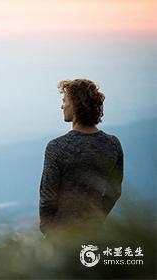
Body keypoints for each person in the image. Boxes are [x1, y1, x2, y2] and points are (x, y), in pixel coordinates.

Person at [39, 79, 123, 238]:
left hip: (61, 237)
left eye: (64, 101)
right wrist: (98, 219)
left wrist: (49, 232)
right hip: (95, 233)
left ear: (76, 105)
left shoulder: (57, 147)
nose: (62, 106)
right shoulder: (113, 144)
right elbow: (114, 191)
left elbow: (48, 199)